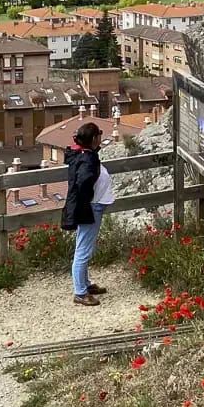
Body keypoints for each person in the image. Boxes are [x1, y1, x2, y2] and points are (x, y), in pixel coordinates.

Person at [62, 120, 116, 307]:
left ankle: (85, 284)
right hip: (91, 207)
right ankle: (80, 292)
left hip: (91, 206)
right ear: (93, 139)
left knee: (84, 246)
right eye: (98, 135)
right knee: (83, 250)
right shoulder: (87, 159)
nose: (100, 138)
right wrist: (88, 200)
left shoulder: (82, 154)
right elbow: (84, 181)